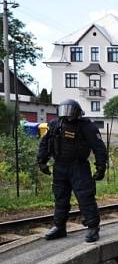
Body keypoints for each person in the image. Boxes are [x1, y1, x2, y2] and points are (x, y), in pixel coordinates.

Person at [37, 99, 108, 243]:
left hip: (79, 167)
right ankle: (59, 227)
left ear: (77, 112)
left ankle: (93, 227)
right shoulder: (55, 124)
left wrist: (101, 167)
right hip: (60, 166)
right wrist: (42, 161)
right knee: (60, 198)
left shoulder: (86, 126)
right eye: (65, 110)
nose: (67, 114)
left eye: (70, 111)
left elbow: (99, 147)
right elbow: (45, 143)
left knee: (85, 197)